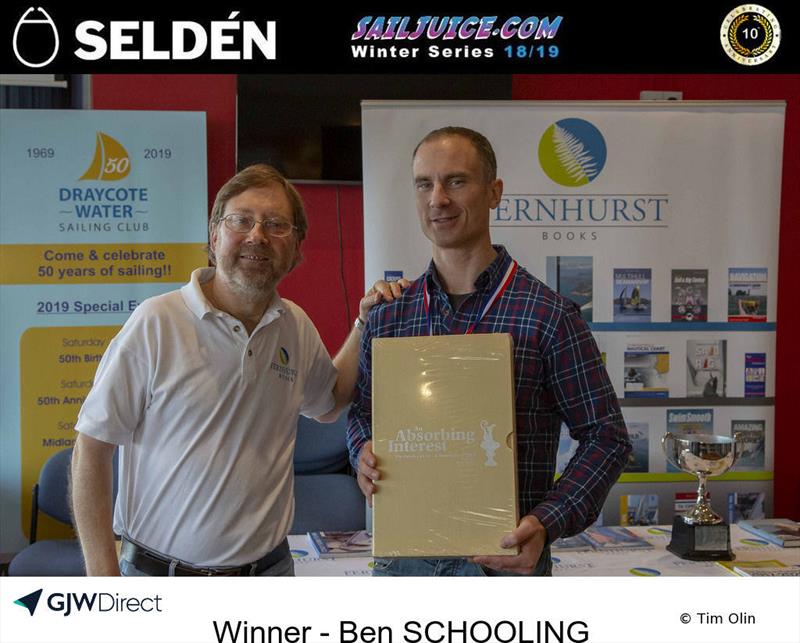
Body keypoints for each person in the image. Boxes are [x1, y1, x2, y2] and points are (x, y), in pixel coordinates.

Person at [71, 164, 387, 576]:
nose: (257, 235)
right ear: (215, 235)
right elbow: (91, 451)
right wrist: (104, 585)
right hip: (162, 580)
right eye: (241, 220)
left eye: (276, 225)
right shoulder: (157, 322)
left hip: (270, 575)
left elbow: (328, 402)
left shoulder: (293, 325)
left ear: (295, 247)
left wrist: (362, 323)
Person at [346, 127, 631, 576]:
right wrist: (361, 449)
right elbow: (363, 412)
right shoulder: (389, 317)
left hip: (503, 566)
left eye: (456, 181)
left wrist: (546, 521)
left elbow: (607, 437)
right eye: (424, 183)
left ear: (494, 192)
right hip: (403, 564)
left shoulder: (548, 315)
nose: (437, 198)